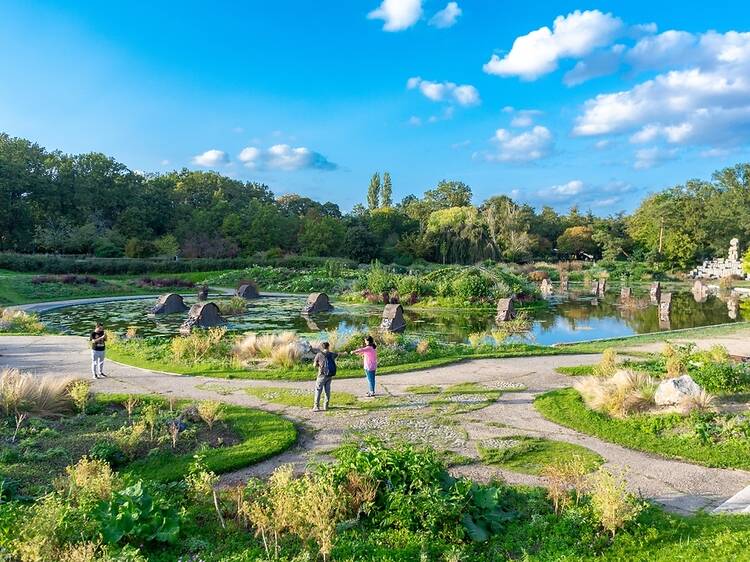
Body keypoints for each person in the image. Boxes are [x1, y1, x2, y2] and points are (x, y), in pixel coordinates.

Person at [312, 342, 339, 412]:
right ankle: (326, 406)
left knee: (318, 390)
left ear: (321, 347)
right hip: (329, 375)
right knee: (327, 390)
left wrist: (319, 365)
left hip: (321, 375)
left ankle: (316, 406)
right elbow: (337, 355)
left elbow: (314, 365)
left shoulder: (319, 354)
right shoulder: (331, 354)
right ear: (328, 347)